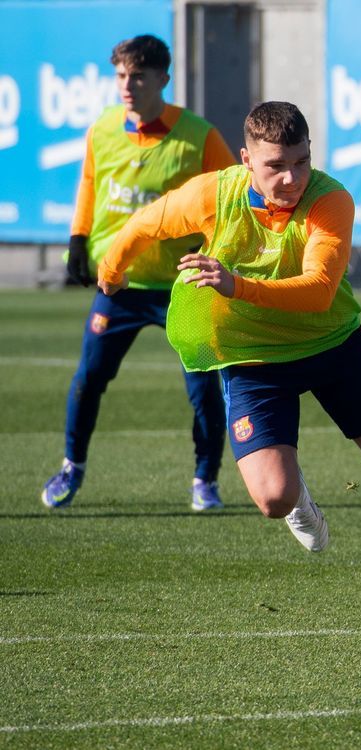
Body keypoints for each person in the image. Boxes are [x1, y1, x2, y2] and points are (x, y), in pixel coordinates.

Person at [96, 101, 361, 621]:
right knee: (273, 498)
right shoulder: (215, 193)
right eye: (277, 165)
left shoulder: (331, 200)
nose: (292, 177)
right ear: (247, 159)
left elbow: (319, 292)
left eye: (302, 161)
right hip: (252, 358)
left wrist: (236, 285)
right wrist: (112, 270)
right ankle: (300, 499)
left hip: (333, 344)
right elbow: (145, 223)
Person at [42, 34, 234, 512]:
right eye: (122, 75)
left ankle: (205, 480)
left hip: (183, 285)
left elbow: (232, 200)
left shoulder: (199, 136)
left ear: (163, 79)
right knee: (88, 377)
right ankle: (71, 467)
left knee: (202, 386)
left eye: (139, 76)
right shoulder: (103, 129)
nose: (128, 85)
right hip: (121, 283)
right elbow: (90, 184)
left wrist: (217, 253)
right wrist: (78, 238)